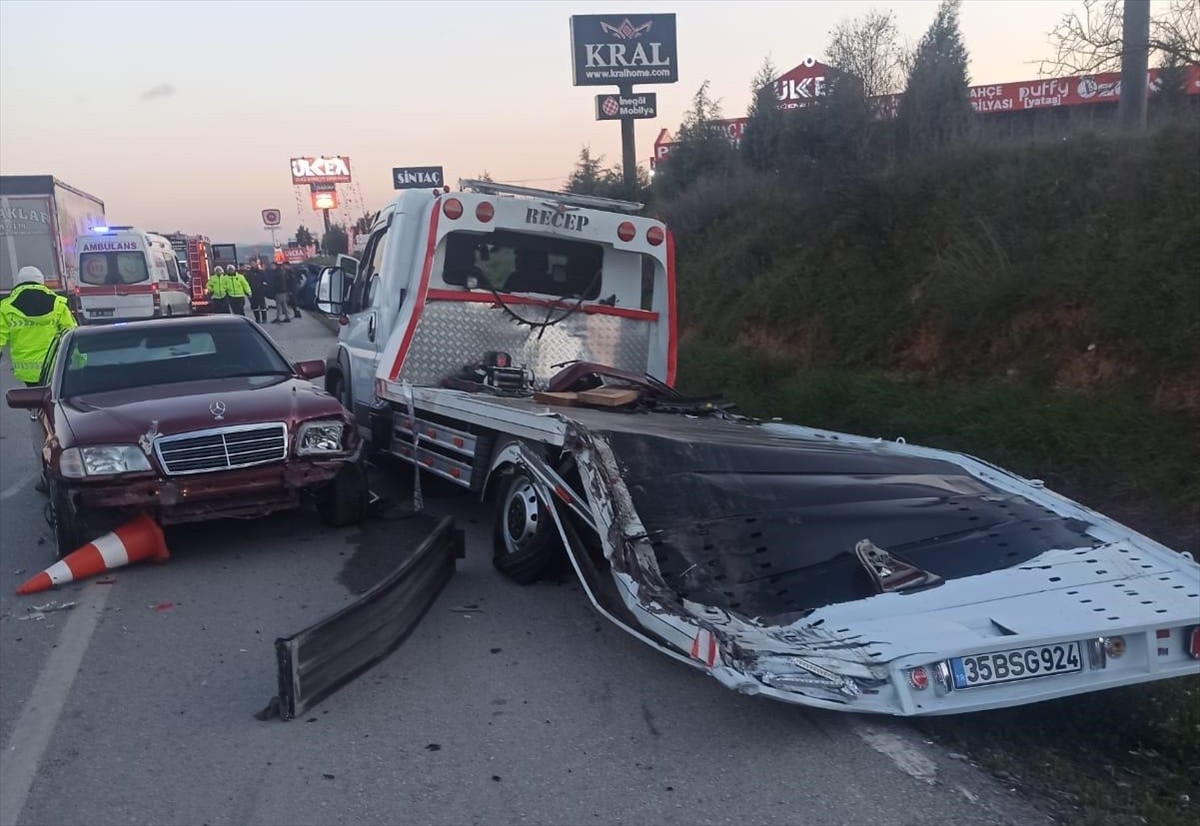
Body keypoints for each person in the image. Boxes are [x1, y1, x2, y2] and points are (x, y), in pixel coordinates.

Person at [0, 266, 77, 386]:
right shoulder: (58, 304)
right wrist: (79, 363)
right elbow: (72, 334)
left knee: (34, 399)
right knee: (54, 399)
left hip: (26, 371)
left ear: (19, 282)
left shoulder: (6, 307)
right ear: (42, 282)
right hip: (54, 367)